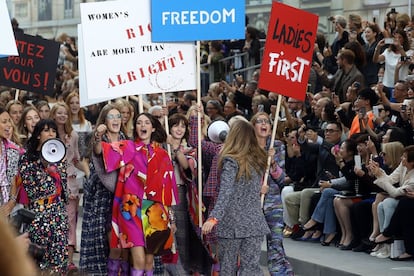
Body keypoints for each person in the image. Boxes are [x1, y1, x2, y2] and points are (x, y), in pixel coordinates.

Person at [101, 113, 178, 276]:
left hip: (155, 210)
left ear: (153, 127)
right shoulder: (127, 147)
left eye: (147, 122)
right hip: (131, 209)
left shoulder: (163, 154)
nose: (142, 125)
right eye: (139, 122)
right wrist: (98, 133)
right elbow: (99, 150)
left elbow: (168, 190)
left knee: (149, 262)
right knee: (139, 260)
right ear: (135, 127)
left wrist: (171, 219)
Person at [202, 119, 270, 275]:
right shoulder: (259, 159)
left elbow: (225, 192)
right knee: (251, 269)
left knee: (228, 268)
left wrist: (213, 218)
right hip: (254, 222)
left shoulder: (230, 161)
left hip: (231, 224)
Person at [79, 104, 128, 275]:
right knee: (109, 241)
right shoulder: (101, 137)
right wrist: (98, 134)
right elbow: (98, 150)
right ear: (104, 120)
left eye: (118, 116)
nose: (115, 120)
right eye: (111, 117)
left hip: (122, 195)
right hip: (102, 196)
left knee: (123, 244)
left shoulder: (125, 138)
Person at [19, 119, 69, 274]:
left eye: (53, 130)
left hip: (58, 214)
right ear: (38, 135)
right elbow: (31, 188)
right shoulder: (28, 158)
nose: (51, 133)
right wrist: (44, 165)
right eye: (46, 130)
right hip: (39, 215)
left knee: (59, 260)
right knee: (38, 260)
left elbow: (63, 189)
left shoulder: (59, 157)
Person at [165, 113, 212, 275]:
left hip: (180, 195)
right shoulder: (160, 147)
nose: (179, 129)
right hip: (161, 195)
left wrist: (176, 149)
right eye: (175, 125)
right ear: (168, 127)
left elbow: (188, 168)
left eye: (183, 126)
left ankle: (183, 271)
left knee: (181, 237)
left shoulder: (190, 150)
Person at [251, 112, 294, 275]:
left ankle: (279, 273)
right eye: (259, 121)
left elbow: (282, 179)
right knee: (252, 246)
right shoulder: (247, 147)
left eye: (267, 121)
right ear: (253, 126)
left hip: (273, 204)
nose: (264, 124)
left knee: (276, 242)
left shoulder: (277, 146)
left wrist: (273, 163)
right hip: (253, 203)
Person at [50, 102, 86, 270]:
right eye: (59, 113)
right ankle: (54, 258)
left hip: (71, 182)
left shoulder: (74, 135)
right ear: (54, 115)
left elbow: (77, 159)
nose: (63, 116)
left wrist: (87, 171)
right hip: (51, 182)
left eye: (65, 113)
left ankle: (69, 261)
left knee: (70, 220)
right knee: (54, 220)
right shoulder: (47, 134)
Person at [368, 145, 414, 259]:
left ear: (412, 162)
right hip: (403, 199)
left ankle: (387, 235)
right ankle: (385, 246)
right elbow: (391, 179)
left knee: (389, 203)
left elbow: (395, 193)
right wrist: (378, 172)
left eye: (404, 157)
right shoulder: (403, 166)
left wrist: (379, 176)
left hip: (404, 199)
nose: (401, 158)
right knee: (381, 205)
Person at [0, 107, 22, 217]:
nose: (9, 125)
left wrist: (11, 202)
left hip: (5, 206)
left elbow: (13, 178)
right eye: (4, 122)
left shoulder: (12, 149)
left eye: (9, 121)